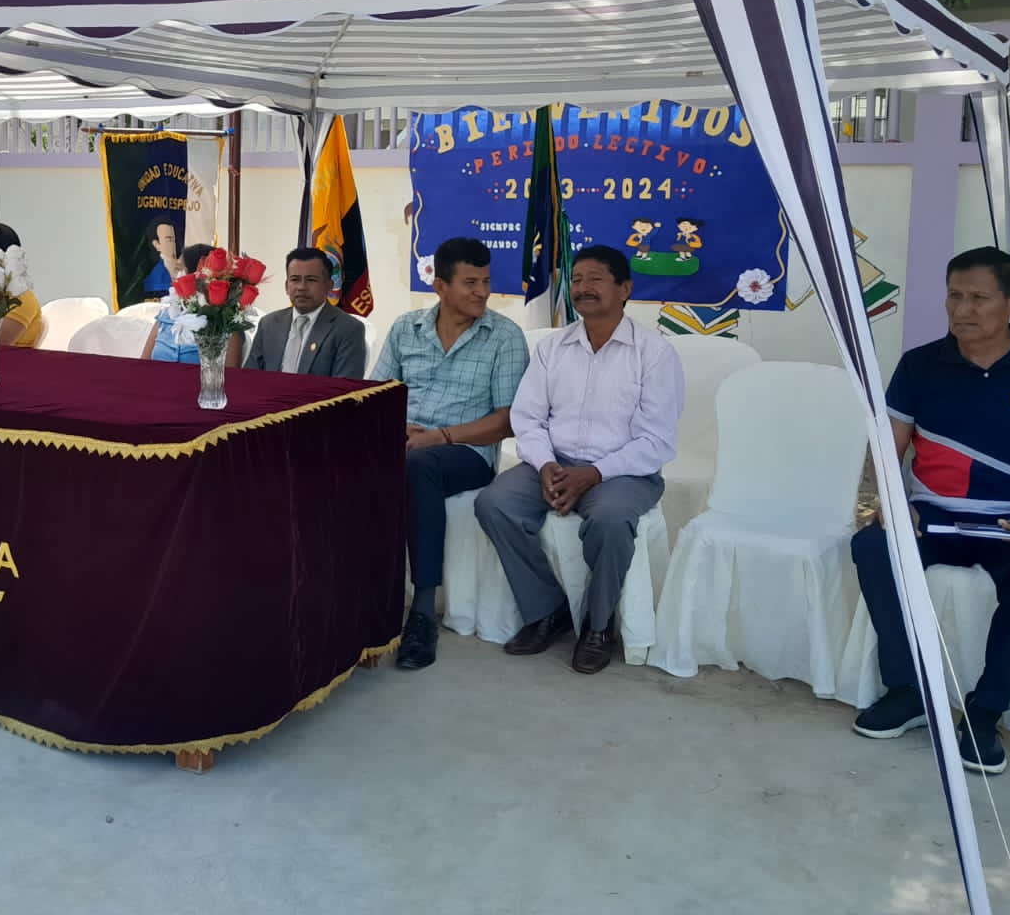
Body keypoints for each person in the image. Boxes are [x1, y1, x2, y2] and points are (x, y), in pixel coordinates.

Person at [850, 246, 1010, 774]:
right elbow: (885, 452)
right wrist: (895, 504)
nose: (962, 310)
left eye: (979, 298)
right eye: (954, 296)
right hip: (935, 516)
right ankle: (908, 690)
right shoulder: (920, 364)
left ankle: (984, 713)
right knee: (873, 545)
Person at [475, 246, 683, 674]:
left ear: (625, 289)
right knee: (494, 503)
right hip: (554, 462)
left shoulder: (654, 354)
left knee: (611, 521)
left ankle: (597, 626)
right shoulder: (553, 348)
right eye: (578, 279)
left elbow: (656, 440)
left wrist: (594, 473)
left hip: (624, 471)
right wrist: (545, 465)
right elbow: (527, 418)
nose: (583, 288)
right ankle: (545, 610)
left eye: (596, 279)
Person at [370, 236, 529, 670]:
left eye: (486, 281)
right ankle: (350, 597)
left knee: (418, 466)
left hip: (466, 452)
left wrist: (440, 437)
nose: (482, 292)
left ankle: (422, 613)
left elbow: (508, 420)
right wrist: (396, 426)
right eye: (470, 283)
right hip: (405, 442)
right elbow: (376, 394)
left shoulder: (504, 336)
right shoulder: (406, 328)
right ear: (440, 286)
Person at [244, 247, 368, 379]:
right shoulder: (268, 324)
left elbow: (345, 388)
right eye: (295, 279)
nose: (301, 287)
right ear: (286, 286)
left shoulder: (349, 329)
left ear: (329, 285)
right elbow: (249, 379)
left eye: (311, 280)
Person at [141, 243, 245, 366]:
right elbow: (142, 365)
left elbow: (231, 374)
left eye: (180, 269)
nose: (175, 276)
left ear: (200, 276)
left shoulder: (226, 324)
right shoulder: (165, 316)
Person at [141, 216, 183, 298]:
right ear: (157, 245)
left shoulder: (182, 267)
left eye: (174, 240)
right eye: (168, 240)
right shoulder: (156, 278)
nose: (173, 245)